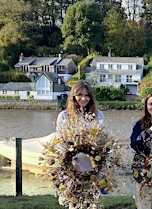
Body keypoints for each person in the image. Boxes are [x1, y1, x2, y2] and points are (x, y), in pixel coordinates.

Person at [55, 80, 106, 208]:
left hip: (93, 163)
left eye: (87, 95)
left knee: (92, 202)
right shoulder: (64, 116)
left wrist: (97, 163)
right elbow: (60, 141)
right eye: (80, 95)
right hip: (72, 164)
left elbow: (103, 139)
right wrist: (71, 163)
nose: (84, 98)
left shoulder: (98, 115)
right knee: (74, 200)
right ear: (73, 96)